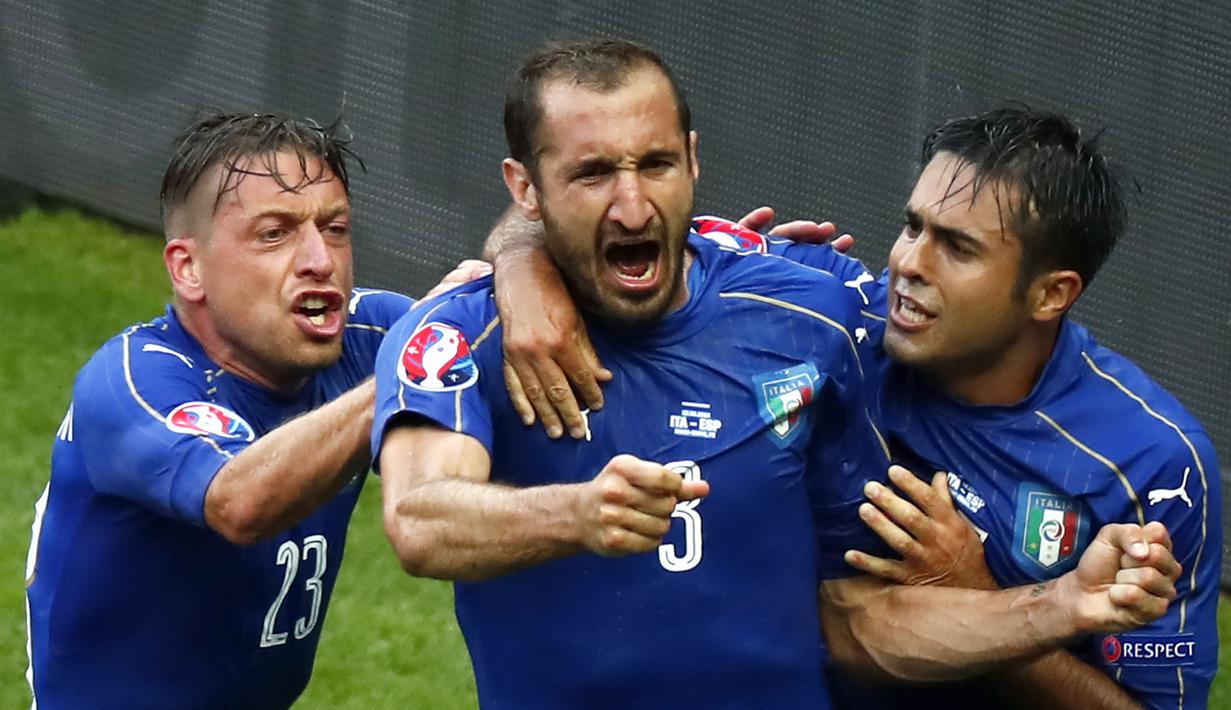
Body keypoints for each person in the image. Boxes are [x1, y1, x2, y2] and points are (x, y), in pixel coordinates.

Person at [373, 39, 1181, 709]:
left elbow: (855, 621)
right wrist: (577, 514)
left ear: (693, 163)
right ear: (525, 188)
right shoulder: (459, 334)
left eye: (655, 165)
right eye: (589, 176)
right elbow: (419, 519)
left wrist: (1059, 605)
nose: (629, 206)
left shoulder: (810, 312)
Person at [24, 112, 481, 708]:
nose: (321, 259)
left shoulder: (372, 335)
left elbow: (494, 309)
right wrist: (407, 375)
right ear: (188, 268)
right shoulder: (133, 383)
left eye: (335, 228)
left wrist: (511, 271)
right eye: (275, 234)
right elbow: (240, 501)